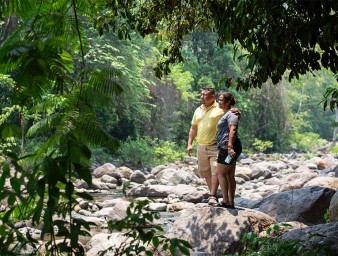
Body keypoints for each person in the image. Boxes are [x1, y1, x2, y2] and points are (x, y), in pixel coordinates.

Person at [187, 88, 239, 205]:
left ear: (212, 97)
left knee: (218, 172)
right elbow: (193, 128)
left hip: (217, 146)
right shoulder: (198, 110)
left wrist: (234, 110)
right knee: (207, 172)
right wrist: (190, 143)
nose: (202, 97)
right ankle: (217, 197)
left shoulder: (219, 108)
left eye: (205, 95)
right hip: (201, 146)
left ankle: (215, 196)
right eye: (201, 94)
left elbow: (231, 121)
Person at [215, 92, 242, 208]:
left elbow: (233, 130)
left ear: (228, 102)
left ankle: (226, 201)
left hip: (228, 148)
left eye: (221, 100)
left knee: (220, 173)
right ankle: (230, 202)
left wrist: (229, 147)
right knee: (229, 175)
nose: (219, 102)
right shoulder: (228, 113)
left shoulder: (231, 114)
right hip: (230, 147)